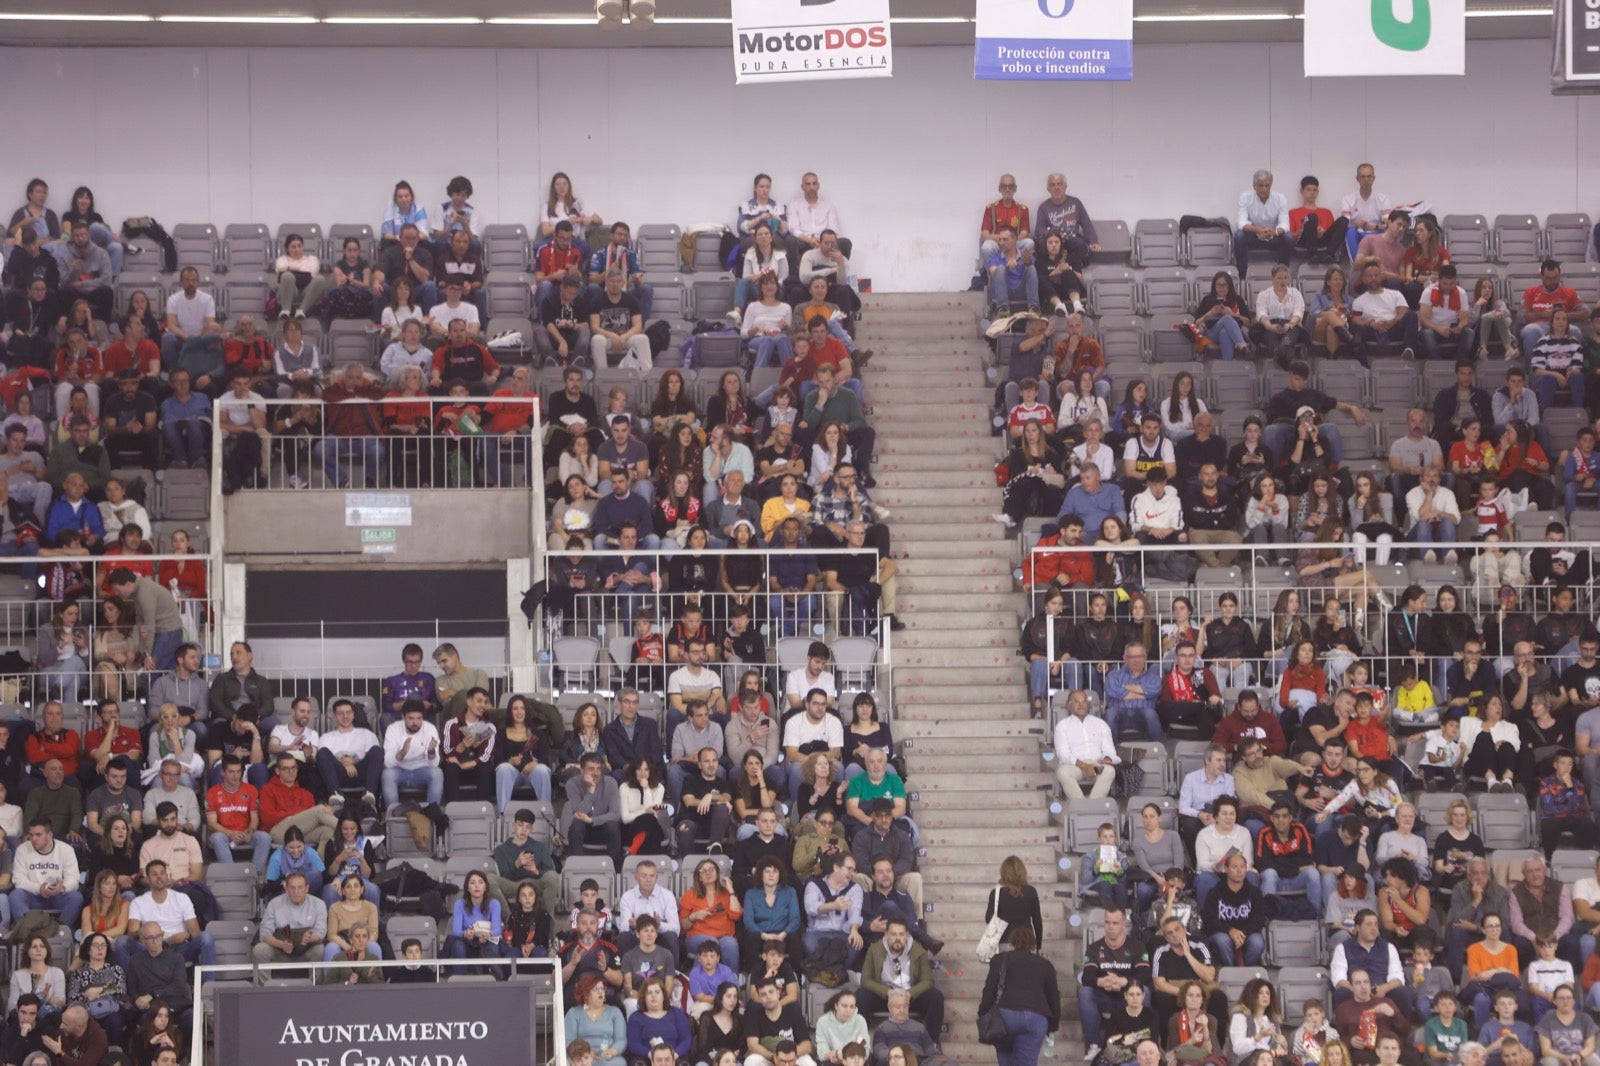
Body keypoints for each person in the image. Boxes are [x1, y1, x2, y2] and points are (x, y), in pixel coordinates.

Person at [977, 925, 1059, 1066]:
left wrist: (983, 1013)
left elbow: (989, 991)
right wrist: (1052, 1026)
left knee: (1005, 1060)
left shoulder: (999, 960)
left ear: (1012, 942)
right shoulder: (1046, 965)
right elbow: (1054, 998)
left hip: (1004, 1017)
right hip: (1035, 1017)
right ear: (1033, 944)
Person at [1235, 170, 1294, 277]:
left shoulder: (1280, 198)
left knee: (1288, 237)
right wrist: (1258, 230)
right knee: (1239, 236)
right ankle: (1242, 274)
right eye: (1260, 185)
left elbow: (1285, 225)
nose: (1264, 189)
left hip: (1273, 236)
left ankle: (1282, 272)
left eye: (1267, 186)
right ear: (1254, 186)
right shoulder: (1245, 197)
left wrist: (1274, 232)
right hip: (1254, 236)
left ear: (1271, 185)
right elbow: (1241, 223)